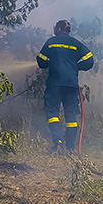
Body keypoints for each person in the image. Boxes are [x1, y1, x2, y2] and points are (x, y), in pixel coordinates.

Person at [36, 19, 94, 153]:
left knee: (52, 113)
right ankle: (70, 147)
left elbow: (41, 61)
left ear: (59, 29)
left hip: (54, 85)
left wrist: (51, 62)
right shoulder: (76, 44)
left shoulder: (51, 42)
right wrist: (75, 67)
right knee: (71, 117)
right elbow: (90, 60)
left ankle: (58, 141)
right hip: (71, 86)